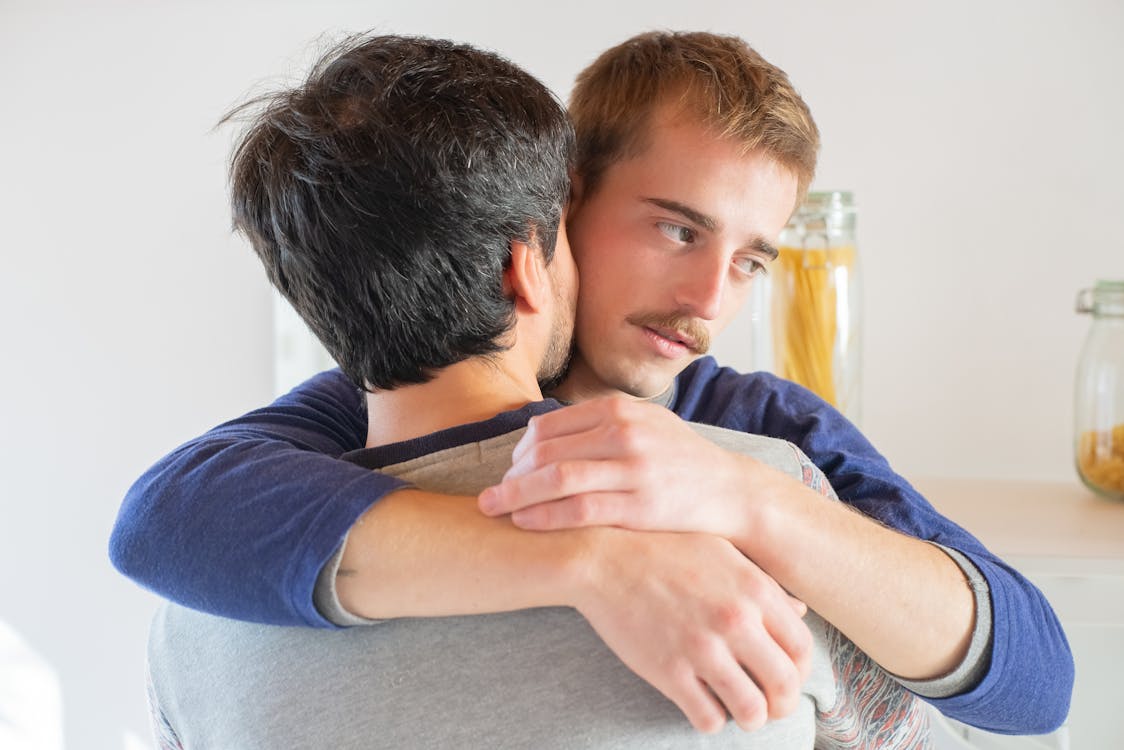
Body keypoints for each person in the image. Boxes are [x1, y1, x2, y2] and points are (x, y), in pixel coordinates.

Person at [112, 30, 1073, 735]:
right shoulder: (354, 413)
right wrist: (597, 564)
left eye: (751, 261)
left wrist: (755, 503)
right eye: (678, 229)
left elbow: (1034, 678)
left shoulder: (760, 429)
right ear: (554, 211)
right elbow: (162, 518)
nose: (709, 298)